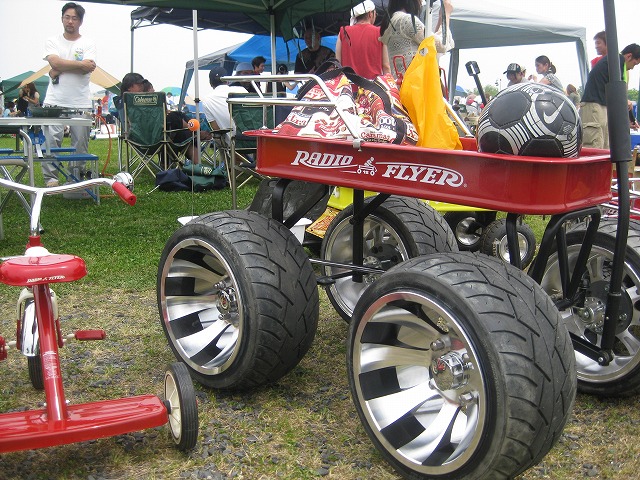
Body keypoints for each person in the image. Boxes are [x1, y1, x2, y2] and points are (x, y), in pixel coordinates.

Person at [41, 2, 96, 188]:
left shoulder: (88, 43)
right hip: (54, 101)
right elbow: (55, 62)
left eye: (74, 18)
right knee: (50, 141)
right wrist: (76, 65)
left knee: (80, 142)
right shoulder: (52, 41)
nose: (70, 21)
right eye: (67, 17)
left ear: (80, 21)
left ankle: (75, 178)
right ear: (62, 18)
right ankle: (51, 179)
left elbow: (87, 68)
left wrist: (59, 68)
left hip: (81, 102)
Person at [580, 43, 640, 149]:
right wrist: (626, 101)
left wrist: (628, 119)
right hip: (594, 106)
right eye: (635, 64)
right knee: (595, 146)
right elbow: (618, 93)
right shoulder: (617, 62)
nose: (632, 68)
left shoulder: (616, 62)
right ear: (629, 56)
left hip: (601, 106)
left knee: (605, 147)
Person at [336, 0, 390, 79]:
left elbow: (338, 64)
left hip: (349, 88)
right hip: (373, 88)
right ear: (370, 14)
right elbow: (386, 66)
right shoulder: (380, 32)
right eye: (376, 14)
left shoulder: (343, 32)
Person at [201, 66, 248, 141]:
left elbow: (216, 129)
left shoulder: (207, 101)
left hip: (232, 144)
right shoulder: (241, 90)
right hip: (255, 140)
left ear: (210, 83)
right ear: (227, 80)